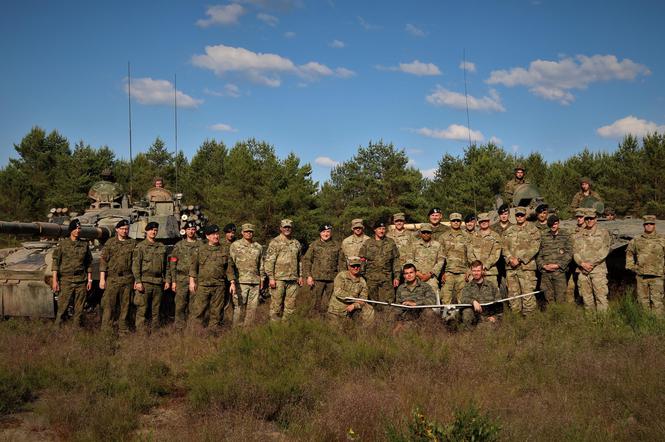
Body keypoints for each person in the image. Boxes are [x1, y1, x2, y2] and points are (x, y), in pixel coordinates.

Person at [189, 224, 236, 332]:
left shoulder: (224, 250)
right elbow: (193, 267)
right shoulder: (200, 250)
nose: (216, 236)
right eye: (213, 234)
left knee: (217, 312)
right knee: (198, 311)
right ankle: (195, 333)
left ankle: (213, 334)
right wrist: (192, 281)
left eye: (217, 234)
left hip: (219, 286)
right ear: (207, 236)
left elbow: (229, 268)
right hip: (203, 285)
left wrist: (232, 282)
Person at [52, 219, 93, 326]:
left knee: (79, 308)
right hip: (66, 280)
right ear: (71, 230)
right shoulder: (62, 244)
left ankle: (76, 331)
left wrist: (89, 280)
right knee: (62, 307)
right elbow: (56, 262)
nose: (78, 230)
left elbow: (88, 263)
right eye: (75, 228)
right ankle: (57, 329)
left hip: (81, 280)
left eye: (79, 228)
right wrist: (55, 281)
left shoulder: (84, 244)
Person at [502, 206, 541, 315]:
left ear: (525, 216)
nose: (519, 217)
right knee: (513, 296)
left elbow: (535, 247)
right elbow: (504, 247)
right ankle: (516, 319)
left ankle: (529, 320)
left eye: (521, 215)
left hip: (526, 268)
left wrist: (519, 259)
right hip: (511, 268)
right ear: (515, 217)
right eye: (517, 215)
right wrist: (510, 258)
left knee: (527, 295)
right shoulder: (509, 231)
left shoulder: (533, 230)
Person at [99, 219, 136, 333]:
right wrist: (102, 279)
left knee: (126, 306)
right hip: (113, 279)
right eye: (122, 229)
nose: (125, 231)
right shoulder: (110, 243)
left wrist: (136, 280)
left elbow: (135, 262)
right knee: (109, 305)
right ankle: (107, 330)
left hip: (128, 278)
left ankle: (123, 329)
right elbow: (104, 261)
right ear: (117, 230)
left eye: (126, 229)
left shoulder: (133, 243)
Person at [132, 222, 170, 332]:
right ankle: (141, 334)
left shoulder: (161, 247)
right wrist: (138, 281)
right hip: (145, 281)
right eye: (151, 230)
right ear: (146, 231)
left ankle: (155, 333)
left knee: (156, 310)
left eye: (155, 230)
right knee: (142, 309)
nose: (153, 232)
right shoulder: (141, 247)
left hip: (158, 282)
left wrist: (167, 280)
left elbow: (166, 265)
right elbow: (136, 265)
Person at [265, 219, 303, 322]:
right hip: (278, 279)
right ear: (281, 228)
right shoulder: (275, 242)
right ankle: (275, 329)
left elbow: (299, 261)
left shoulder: (296, 243)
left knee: (290, 307)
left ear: (291, 228)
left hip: (293, 279)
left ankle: (286, 329)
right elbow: (269, 261)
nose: (287, 229)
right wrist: (271, 278)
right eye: (285, 227)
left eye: (289, 227)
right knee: (276, 306)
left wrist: (300, 276)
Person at [572, 208, 611, 312]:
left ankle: (603, 323)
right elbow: (575, 251)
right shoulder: (578, 234)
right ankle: (591, 322)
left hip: (598, 270)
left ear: (596, 219)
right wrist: (582, 263)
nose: (589, 220)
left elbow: (605, 250)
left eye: (592, 218)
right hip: (582, 271)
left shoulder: (603, 233)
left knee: (601, 298)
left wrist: (591, 264)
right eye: (587, 218)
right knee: (586, 299)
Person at [625, 215, 664, 315]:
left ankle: (657, 323)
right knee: (642, 301)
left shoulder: (662, 239)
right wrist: (631, 266)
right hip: (641, 275)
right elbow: (629, 252)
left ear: (654, 225)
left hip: (657, 275)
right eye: (646, 224)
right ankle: (644, 321)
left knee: (657, 301)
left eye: (651, 224)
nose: (649, 226)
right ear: (644, 225)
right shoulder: (637, 240)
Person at [302, 223, 344, 316]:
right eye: (323, 232)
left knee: (333, 302)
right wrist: (308, 276)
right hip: (317, 279)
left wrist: (341, 278)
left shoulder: (337, 245)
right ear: (320, 233)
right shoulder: (314, 245)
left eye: (328, 231)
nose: (326, 234)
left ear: (331, 233)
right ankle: (315, 321)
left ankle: (331, 320)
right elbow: (307, 260)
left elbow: (341, 263)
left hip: (332, 279)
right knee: (315, 303)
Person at [229, 223, 265, 326]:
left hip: (255, 281)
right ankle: (236, 330)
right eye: (246, 231)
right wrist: (232, 280)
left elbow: (261, 264)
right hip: (240, 282)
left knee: (252, 308)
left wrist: (262, 279)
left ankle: (247, 330)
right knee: (239, 307)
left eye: (250, 231)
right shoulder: (235, 245)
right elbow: (231, 264)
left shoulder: (258, 247)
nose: (248, 233)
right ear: (242, 233)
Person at [359, 220, 400, 306]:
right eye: (379, 228)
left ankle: (388, 318)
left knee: (390, 301)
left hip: (386, 276)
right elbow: (362, 260)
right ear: (375, 230)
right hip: (371, 276)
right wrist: (362, 276)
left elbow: (396, 260)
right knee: (372, 301)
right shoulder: (368, 243)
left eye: (383, 229)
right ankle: (375, 318)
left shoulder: (390, 242)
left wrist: (397, 276)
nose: (381, 231)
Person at [169, 221, 200, 330]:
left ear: (195, 230)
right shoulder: (179, 245)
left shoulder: (201, 245)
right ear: (185, 231)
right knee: (180, 305)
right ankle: (179, 328)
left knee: (194, 305)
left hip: (196, 279)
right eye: (189, 229)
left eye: (193, 229)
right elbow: (172, 263)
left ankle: (192, 328)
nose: (191, 231)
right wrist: (173, 281)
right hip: (181, 279)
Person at [327, 257, 375, 328]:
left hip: (351, 311)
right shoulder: (341, 276)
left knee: (369, 309)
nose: (356, 268)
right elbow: (338, 292)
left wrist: (354, 305)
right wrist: (355, 299)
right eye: (353, 266)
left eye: (358, 266)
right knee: (336, 332)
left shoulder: (362, 281)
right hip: (336, 310)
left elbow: (363, 299)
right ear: (349, 266)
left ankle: (364, 331)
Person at [536, 214, 572, 304]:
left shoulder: (565, 235)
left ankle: (561, 316)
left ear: (558, 223)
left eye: (555, 223)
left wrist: (558, 265)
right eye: (551, 224)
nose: (553, 226)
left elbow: (569, 253)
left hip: (559, 272)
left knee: (561, 298)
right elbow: (538, 255)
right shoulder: (544, 237)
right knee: (548, 299)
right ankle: (551, 316)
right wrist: (544, 266)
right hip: (546, 273)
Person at [391, 263, 439, 327]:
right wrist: (398, 322)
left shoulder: (425, 286)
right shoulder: (400, 288)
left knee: (429, 313)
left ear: (415, 273)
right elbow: (398, 307)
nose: (409, 275)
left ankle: (429, 334)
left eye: (411, 272)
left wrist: (415, 303)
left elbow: (432, 300)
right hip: (407, 318)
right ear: (404, 276)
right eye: (406, 273)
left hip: (422, 316)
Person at [466, 213, 502, 287]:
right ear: (478, 223)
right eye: (482, 221)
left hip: (489, 272)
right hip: (475, 272)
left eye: (485, 220)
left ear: (489, 221)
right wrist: (477, 267)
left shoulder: (495, 236)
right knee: (475, 295)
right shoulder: (473, 237)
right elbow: (469, 253)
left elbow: (496, 254)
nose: (484, 222)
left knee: (492, 296)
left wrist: (484, 266)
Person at [459, 260, 500, 326]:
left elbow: (499, 304)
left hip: (488, 318)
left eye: (478, 271)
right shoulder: (467, 286)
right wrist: (473, 302)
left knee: (487, 330)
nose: (476, 273)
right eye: (474, 271)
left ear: (482, 271)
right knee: (467, 312)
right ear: (471, 272)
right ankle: (467, 334)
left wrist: (495, 317)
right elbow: (463, 299)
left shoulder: (491, 285)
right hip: (475, 318)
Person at [408, 223, 445, 294]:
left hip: (431, 277)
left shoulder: (437, 245)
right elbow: (409, 260)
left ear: (431, 233)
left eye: (428, 232)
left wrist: (430, 274)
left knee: (434, 295)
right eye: (423, 232)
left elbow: (440, 261)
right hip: (416, 276)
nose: (426, 234)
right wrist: (417, 273)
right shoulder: (414, 245)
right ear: (420, 233)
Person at [440, 212, 468, 304]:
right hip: (448, 272)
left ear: (460, 222)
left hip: (462, 273)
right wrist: (442, 272)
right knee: (446, 298)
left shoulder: (467, 236)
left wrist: (469, 271)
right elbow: (440, 257)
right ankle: (447, 317)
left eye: (458, 221)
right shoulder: (443, 237)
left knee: (463, 299)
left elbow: (470, 255)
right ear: (450, 222)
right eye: (453, 221)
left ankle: (461, 317)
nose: (456, 222)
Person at [221, 223, 237, 324]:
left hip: (235, 276)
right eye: (229, 232)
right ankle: (221, 320)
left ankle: (234, 321)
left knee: (235, 301)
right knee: (222, 300)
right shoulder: (220, 243)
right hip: (223, 276)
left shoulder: (237, 243)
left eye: (233, 232)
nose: (231, 234)